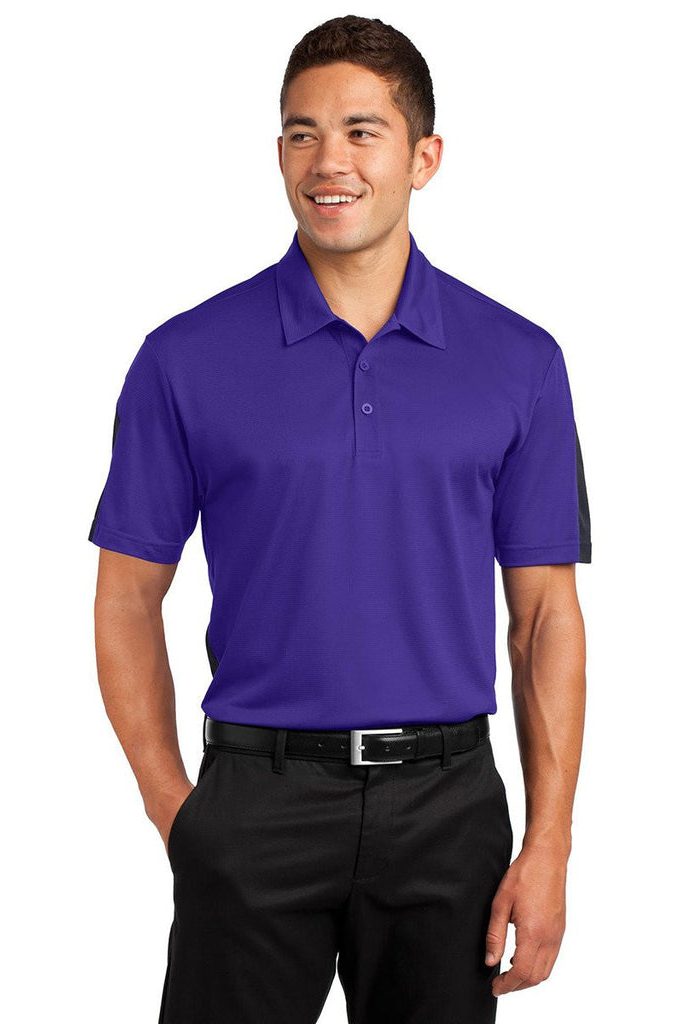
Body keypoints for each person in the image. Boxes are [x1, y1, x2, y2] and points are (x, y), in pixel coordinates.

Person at [88, 14, 591, 1023]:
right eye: (301, 133)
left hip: (448, 807)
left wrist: (549, 844)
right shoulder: (184, 358)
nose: (329, 161)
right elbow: (126, 598)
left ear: (424, 157)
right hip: (254, 799)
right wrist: (176, 811)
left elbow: (544, 618)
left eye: (362, 131)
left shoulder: (520, 361)